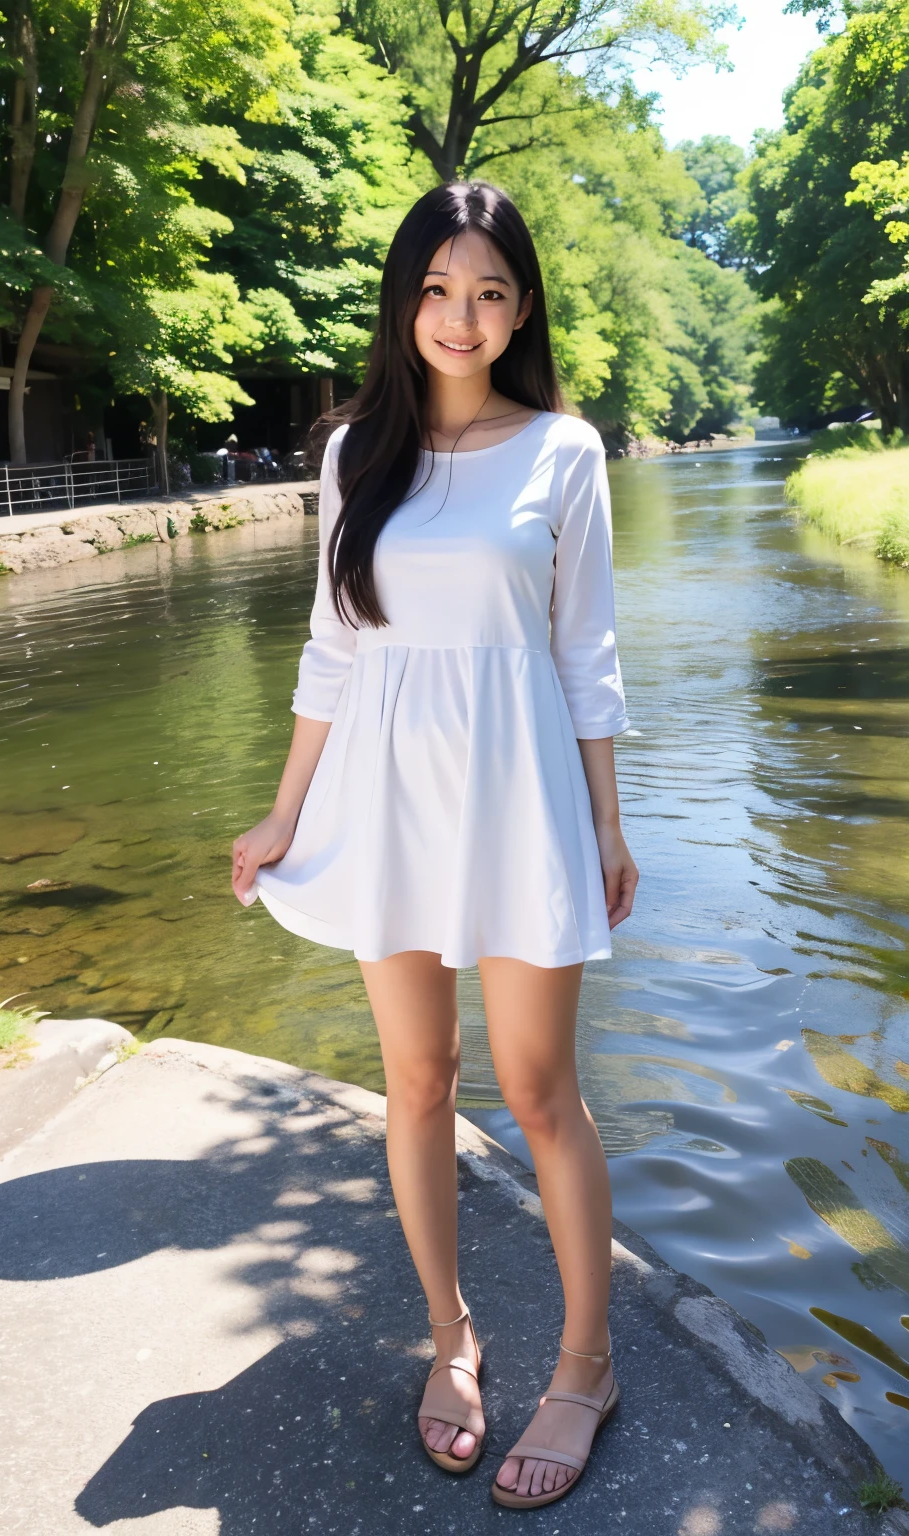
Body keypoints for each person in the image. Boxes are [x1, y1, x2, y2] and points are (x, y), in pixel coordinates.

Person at [231, 181, 638, 1511]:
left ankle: (585, 1364)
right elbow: (333, 648)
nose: (461, 318)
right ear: (406, 299)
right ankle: (451, 1337)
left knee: (537, 1092)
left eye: (491, 292)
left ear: (521, 309)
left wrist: (610, 824)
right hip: (387, 795)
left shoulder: (564, 451)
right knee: (417, 1079)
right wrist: (288, 811)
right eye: (438, 289)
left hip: (521, 796)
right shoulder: (355, 453)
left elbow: (586, 654)